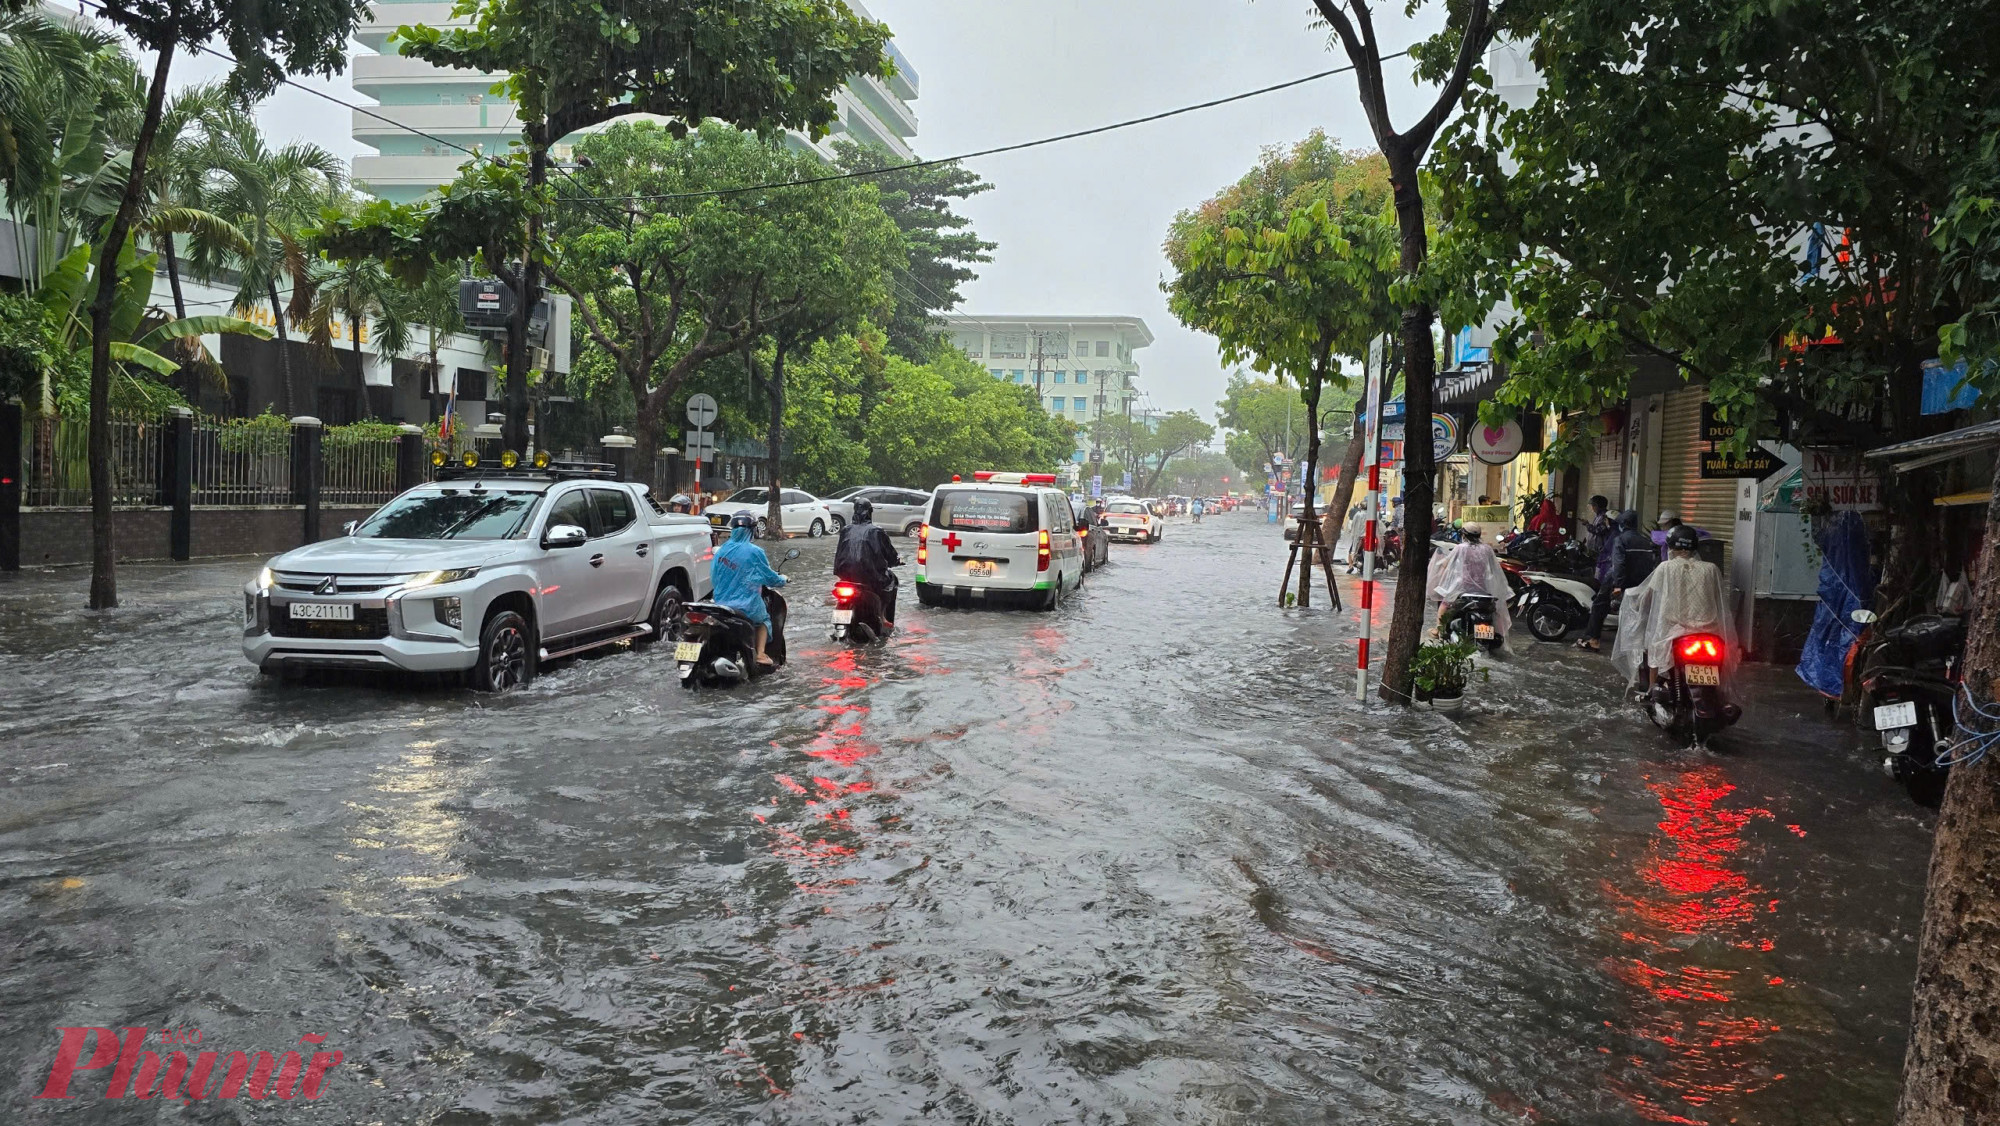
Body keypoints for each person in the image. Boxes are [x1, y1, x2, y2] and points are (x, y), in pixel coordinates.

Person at [1613, 523, 1739, 706]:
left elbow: (1646, 596)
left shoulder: (1665, 568)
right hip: (1708, 632)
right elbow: (1720, 601)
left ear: (1670, 547)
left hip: (1673, 631)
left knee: (1653, 649)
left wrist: (1636, 605)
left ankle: (1651, 693)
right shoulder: (1711, 568)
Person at [711, 512, 789, 669]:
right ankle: (760, 654)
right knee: (764, 620)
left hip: (720, 603)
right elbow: (768, 576)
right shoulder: (754, 551)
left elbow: (714, 576)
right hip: (745, 604)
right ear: (752, 530)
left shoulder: (721, 550)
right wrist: (783, 580)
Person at [1576, 509, 1657, 652]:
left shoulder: (1621, 539)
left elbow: (1619, 563)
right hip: (1641, 582)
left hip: (1620, 579)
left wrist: (1618, 585)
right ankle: (1636, 646)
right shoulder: (1646, 541)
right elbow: (1652, 563)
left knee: (1599, 605)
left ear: (1623, 524)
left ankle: (1592, 639)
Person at [1425, 521, 1514, 641]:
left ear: (1464, 534)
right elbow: (1494, 569)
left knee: (1444, 605)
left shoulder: (1460, 548)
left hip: (1462, 589)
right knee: (1495, 610)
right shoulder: (1487, 549)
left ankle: (1438, 630)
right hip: (1483, 590)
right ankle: (1497, 633)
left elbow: (1446, 564)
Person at [833, 498, 903, 630]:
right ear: (870, 512)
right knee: (892, 580)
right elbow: (890, 554)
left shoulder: (845, 530)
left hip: (845, 577)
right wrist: (897, 561)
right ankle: (883, 617)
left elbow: (839, 553)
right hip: (870, 578)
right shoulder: (877, 531)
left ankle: (838, 626)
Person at [1581, 496, 1613, 579]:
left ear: (1597, 506)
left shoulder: (1604, 517)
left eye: (1593, 506)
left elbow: (1599, 530)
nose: (1592, 508)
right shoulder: (1598, 516)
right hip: (1594, 550)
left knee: (1598, 573)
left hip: (1600, 550)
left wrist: (1587, 525)